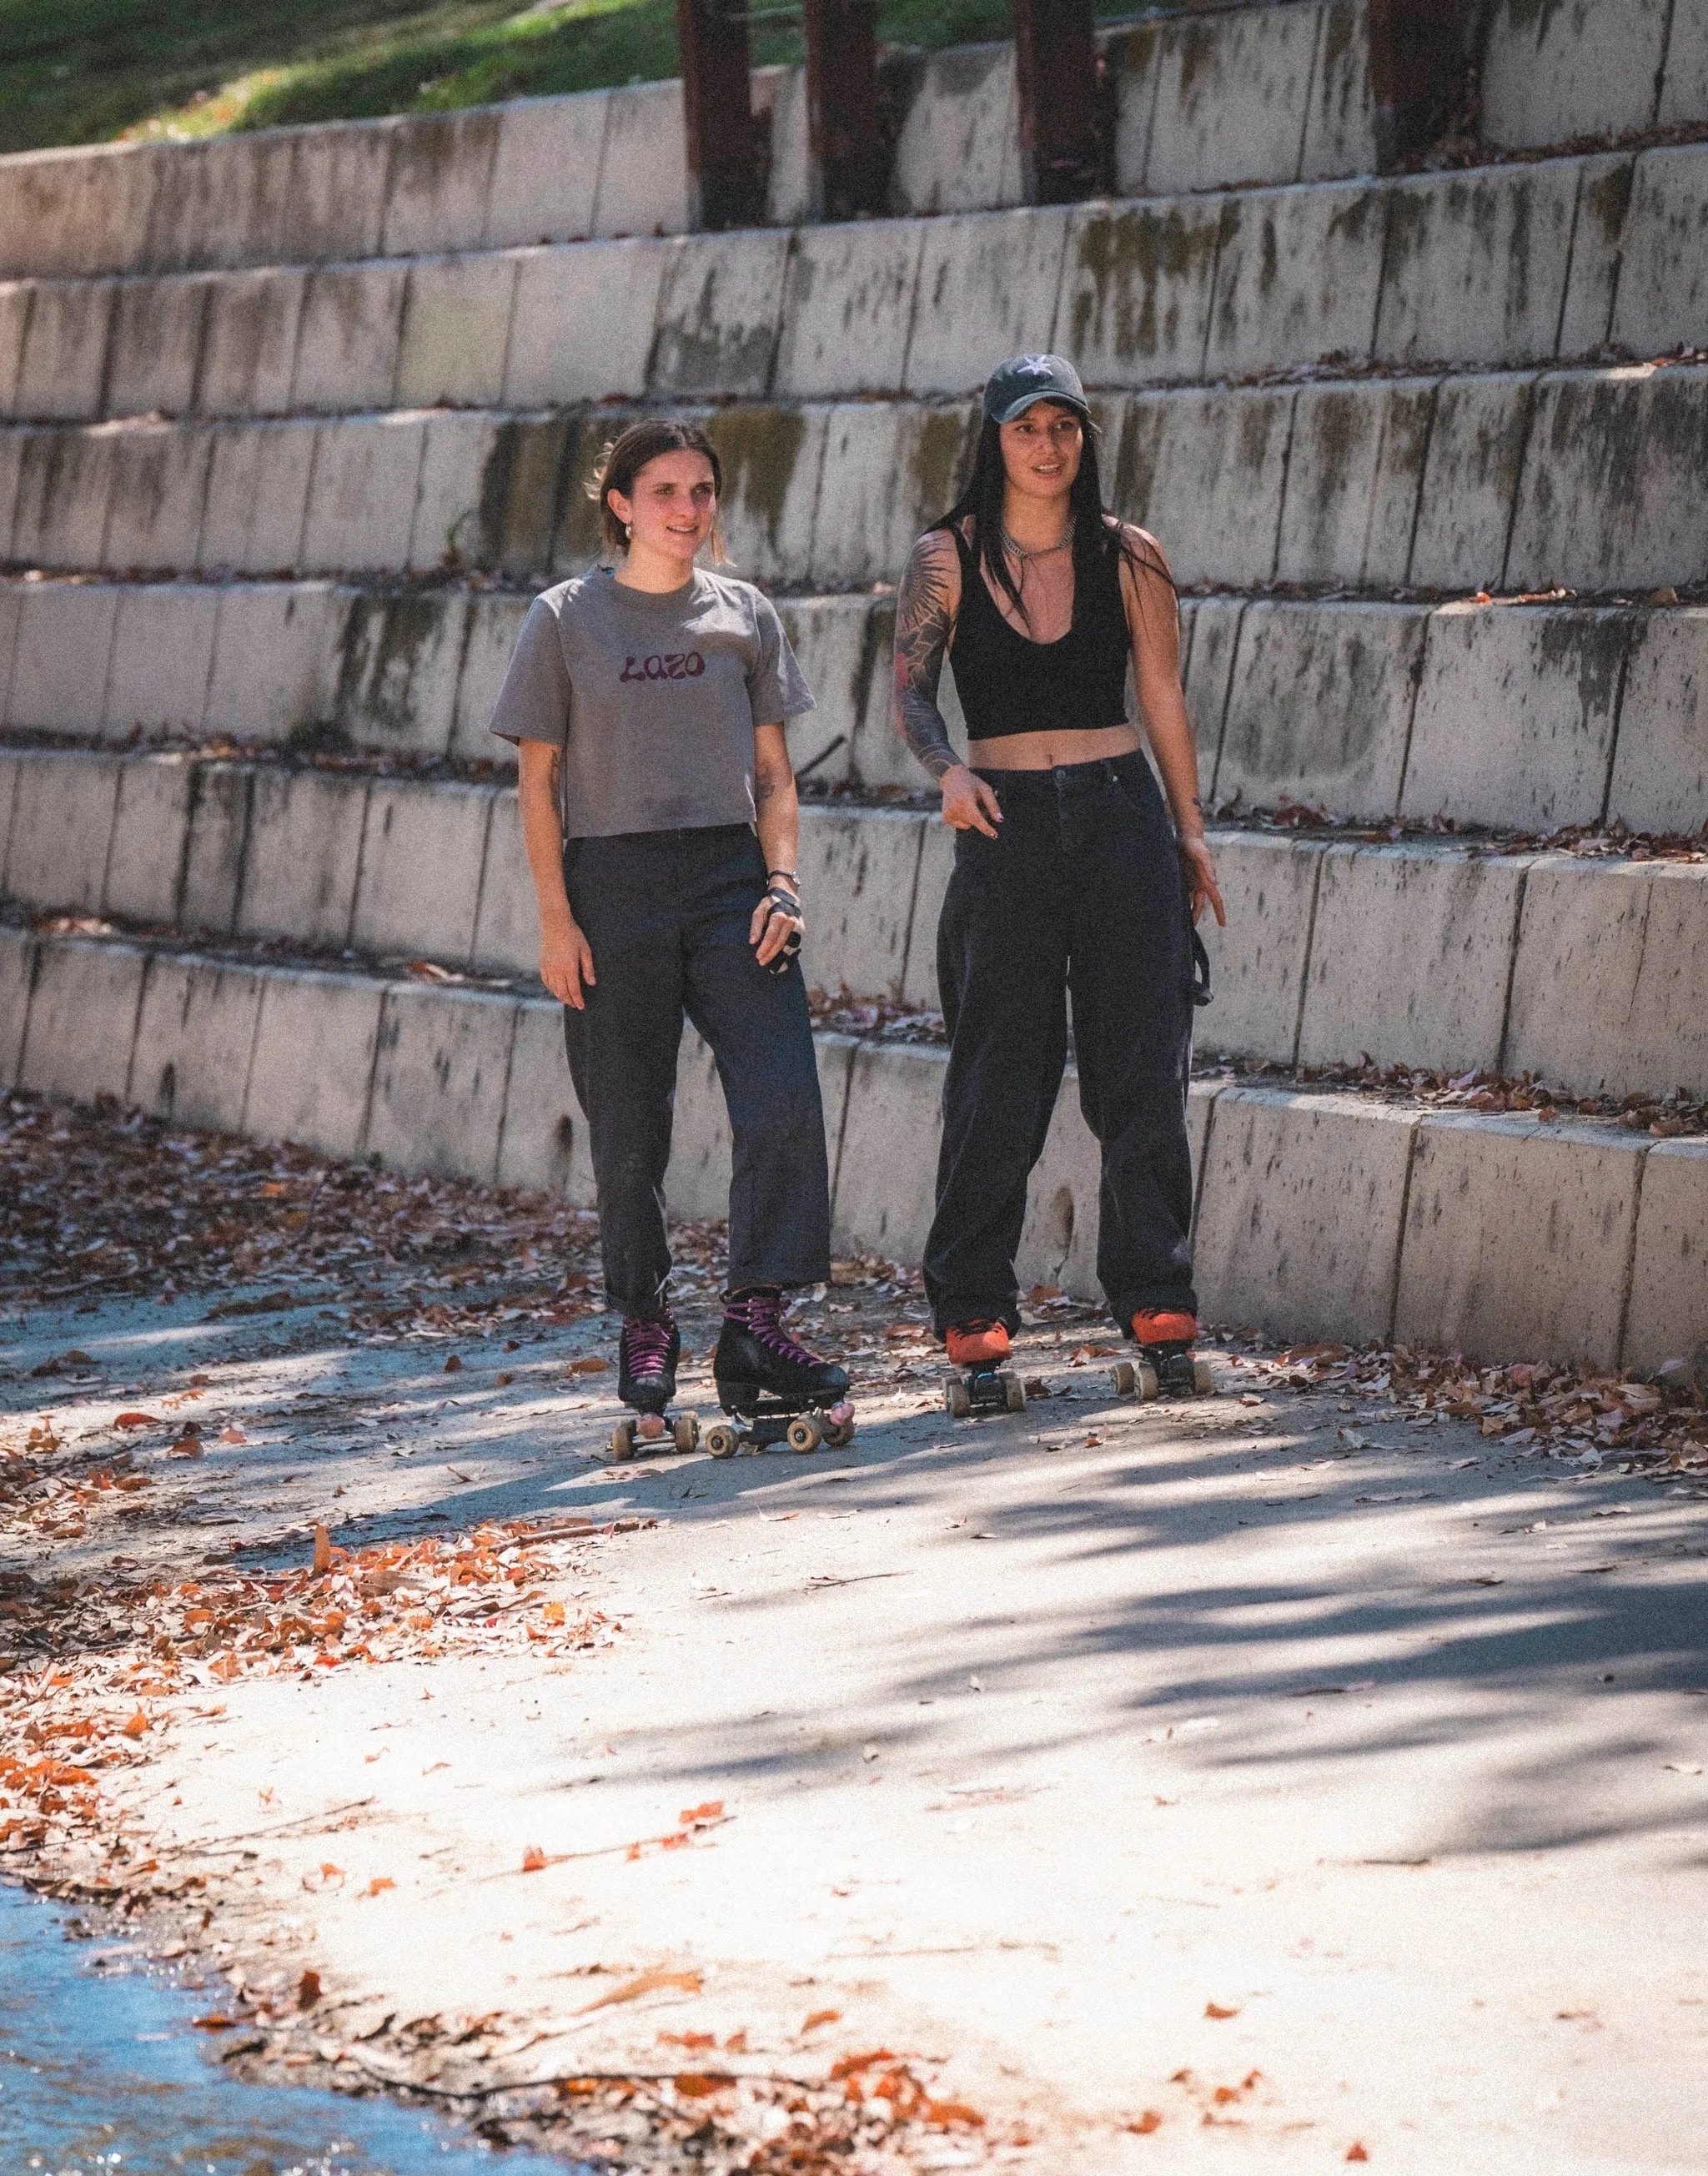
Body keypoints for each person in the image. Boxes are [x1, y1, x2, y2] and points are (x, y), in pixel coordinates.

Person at [490, 417, 850, 1440]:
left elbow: (775, 774)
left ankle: (755, 1319)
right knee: (629, 1127)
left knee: (781, 1095)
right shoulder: (564, 618)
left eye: (702, 491)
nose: (688, 510)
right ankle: (645, 1319)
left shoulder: (745, 615)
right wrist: (557, 921)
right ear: (620, 503)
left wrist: (782, 882)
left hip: (732, 882)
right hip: (611, 883)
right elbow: (536, 784)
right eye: (665, 492)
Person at [892, 353, 1227, 1384]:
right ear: (992, 439)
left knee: (1141, 1061)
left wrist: (1190, 833)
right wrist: (944, 770)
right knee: (1001, 1066)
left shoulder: (1130, 556)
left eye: (1064, 426)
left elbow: (1161, 697)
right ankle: (973, 1307)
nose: (1047, 446)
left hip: (1118, 812)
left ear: (1085, 438)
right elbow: (908, 692)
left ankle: (1157, 1296)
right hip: (1003, 821)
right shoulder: (944, 558)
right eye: (1026, 427)